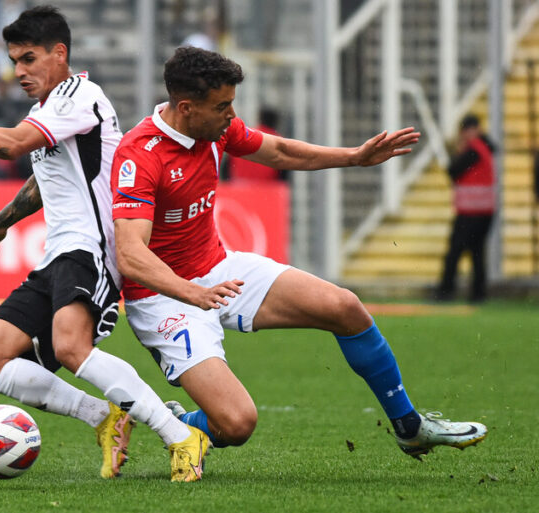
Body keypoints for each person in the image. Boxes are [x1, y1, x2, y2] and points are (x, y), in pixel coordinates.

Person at [111, 47, 487, 467]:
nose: (232, 115)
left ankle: (410, 428)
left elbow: (280, 152)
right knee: (236, 425)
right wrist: (191, 293)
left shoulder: (214, 129)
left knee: (344, 307)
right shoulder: (140, 155)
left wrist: (355, 158)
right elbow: (130, 255)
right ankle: (167, 421)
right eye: (223, 106)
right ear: (186, 108)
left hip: (219, 268)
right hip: (164, 296)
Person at [0, 6, 207, 482]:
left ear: (60, 53)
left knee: (71, 348)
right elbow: (44, 179)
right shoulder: (46, 111)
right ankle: (105, 416)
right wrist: (2, 220)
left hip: (92, 250)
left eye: (29, 59)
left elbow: (13, 145)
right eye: (14, 61)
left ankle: (179, 436)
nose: (19, 72)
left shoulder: (81, 94)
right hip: (59, 254)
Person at [435, 114, 496, 303]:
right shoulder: (485, 147)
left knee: (455, 252)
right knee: (477, 253)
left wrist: (457, 150)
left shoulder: (473, 150)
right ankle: (478, 294)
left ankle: (446, 291)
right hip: (485, 211)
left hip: (471, 212)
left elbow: (453, 171)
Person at [226, 107, 289, 182]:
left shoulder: (246, 135)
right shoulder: (278, 141)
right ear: (276, 122)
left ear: (260, 119)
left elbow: (227, 167)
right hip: (267, 190)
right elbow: (283, 174)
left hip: (238, 189)